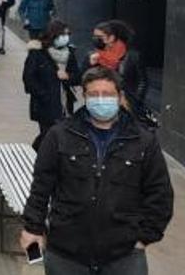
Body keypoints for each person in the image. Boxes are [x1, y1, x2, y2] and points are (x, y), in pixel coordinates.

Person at [20, 67, 174, 274]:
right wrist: (33, 228)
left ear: (120, 97)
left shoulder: (144, 141)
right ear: (84, 97)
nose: (101, 100)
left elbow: (160, 193)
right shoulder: (59, 135)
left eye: (108, 94)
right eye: (94, 94)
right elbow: (41, 187)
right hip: (66, 253)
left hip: (123, 255)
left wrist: (144, 237)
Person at [24, 20, 81, 150]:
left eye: (67, 34)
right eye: (63, 34)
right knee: (48, 134)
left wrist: (68, 76)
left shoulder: (70, 53)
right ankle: (38, 156)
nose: (65, 38)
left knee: (58, 134)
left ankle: (41, 155)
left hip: (65, 103)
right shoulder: (37, 53)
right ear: (53, 34)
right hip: (44, 104)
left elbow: (78, 77)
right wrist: (43, 95)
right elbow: (29, 78)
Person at [90, 20, 149, 114]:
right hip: (102, 102)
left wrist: (133, 103)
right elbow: (84, 80)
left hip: (125, 103)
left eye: (99, 37)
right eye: (94, 36)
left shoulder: (132, 56)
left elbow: (142, 81)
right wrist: (92, 65)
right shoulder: (93, 55)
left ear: (111, 38)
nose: (95, 39)